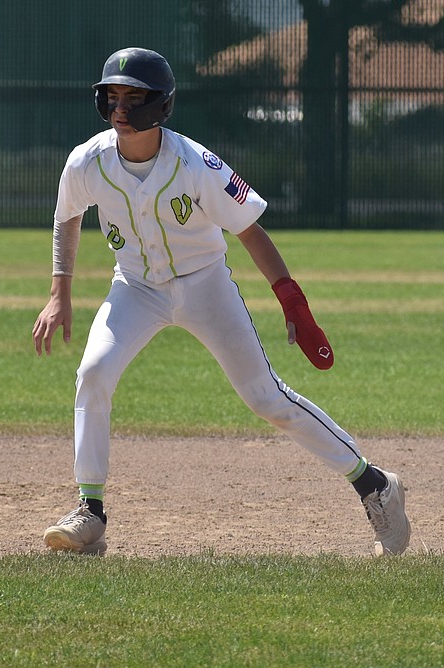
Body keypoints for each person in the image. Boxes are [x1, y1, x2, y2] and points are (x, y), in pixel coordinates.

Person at [32, 47, 410, 556]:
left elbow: (250, 230)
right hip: (135, 288)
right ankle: (91, 513)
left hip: (205, 284)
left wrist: (291, 300)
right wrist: (60, 294)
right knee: (93, 373)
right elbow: (66, 217)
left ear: (161, 105)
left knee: (266, 398)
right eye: (112, 96)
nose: (121, 107)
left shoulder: (195, 164)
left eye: (134, 96)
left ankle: (376, 485)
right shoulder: (89, 161)